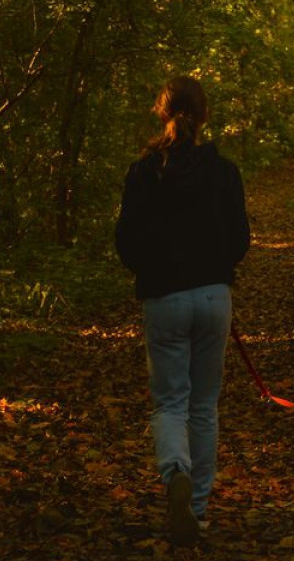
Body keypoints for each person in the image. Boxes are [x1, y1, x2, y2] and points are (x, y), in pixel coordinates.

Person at [115, 75, 250, 547]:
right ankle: (197, 511)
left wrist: (153, 273)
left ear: (162, 111)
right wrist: (214, 268)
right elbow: (240, 240)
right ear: (204, 114)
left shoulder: (143, 171)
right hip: (214, 298)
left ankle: (176, 473)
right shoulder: (225, 172)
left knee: (171, 402)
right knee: (204, 405)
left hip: (164, 300)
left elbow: (125, 241)